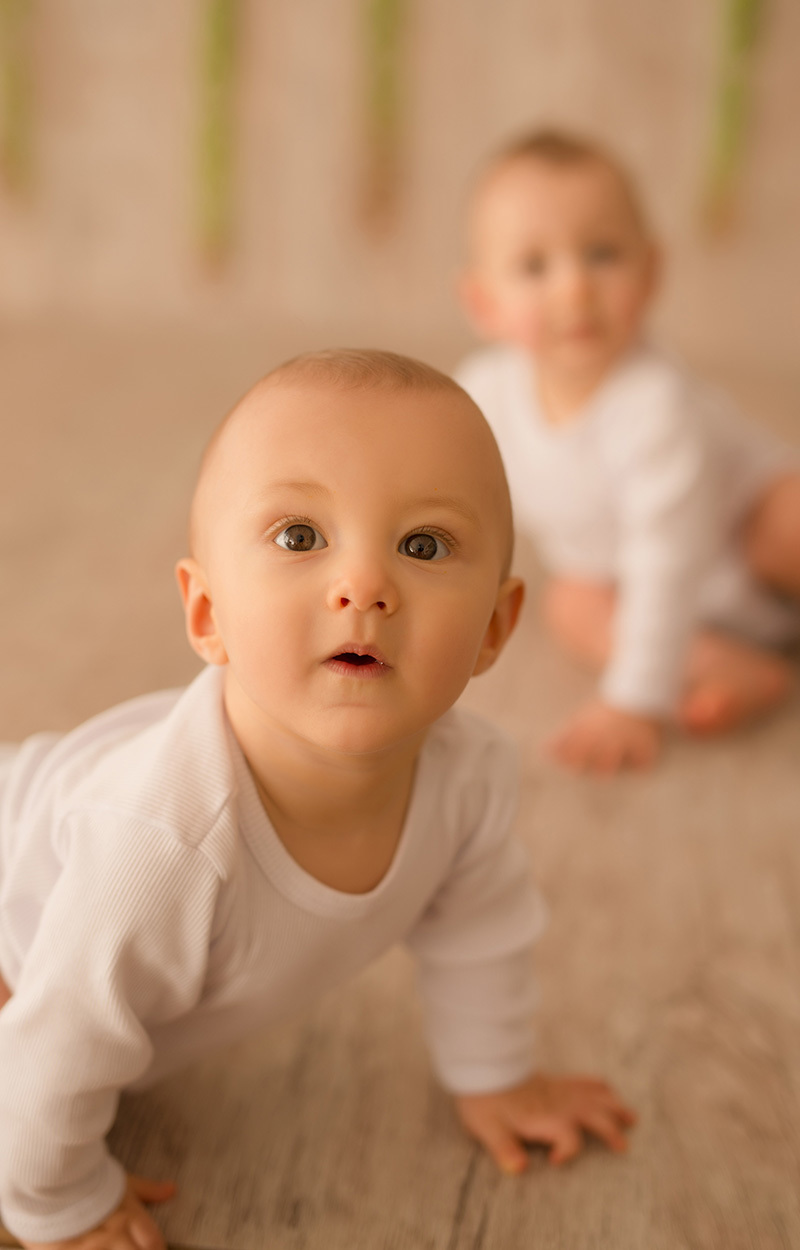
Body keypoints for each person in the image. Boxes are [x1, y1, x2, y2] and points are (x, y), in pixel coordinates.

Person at [0, 350, 635, 1250]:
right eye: (300, 536)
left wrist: (496, 1074)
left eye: (423, 546)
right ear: (207, 614)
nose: (365, 586)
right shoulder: (160, 841)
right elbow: (56, 1049)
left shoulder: (469, 780)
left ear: (495, 627)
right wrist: (61, 1203)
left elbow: (481, 928)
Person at [455, 129, 800, 774]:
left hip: (734, 538)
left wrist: (634, 700)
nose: (575, 289)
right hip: (634, 587)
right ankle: (726, 664)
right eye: (535, 266)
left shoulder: (655, 406)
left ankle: (672, 666)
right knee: (569, 605)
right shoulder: (484, 394)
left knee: (787, 519)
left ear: (651, 271)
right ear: (485, 303)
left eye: (602, 254)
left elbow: (668, 556)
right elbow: (432, 483)